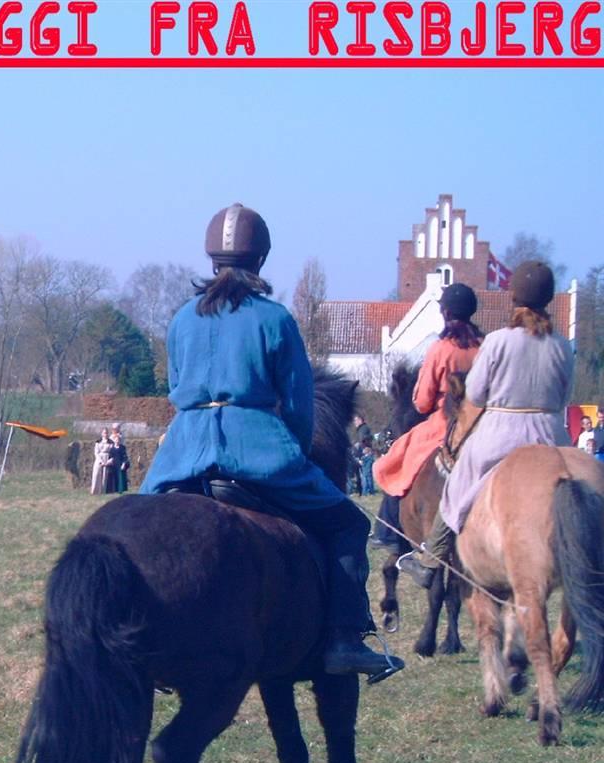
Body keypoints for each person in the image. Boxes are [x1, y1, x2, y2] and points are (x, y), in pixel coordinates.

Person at [141, 202, 403, 681]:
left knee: (140, 524)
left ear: (211, 259)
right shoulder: (275, 319)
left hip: (184, 450)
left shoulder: (181, 319)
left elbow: (176, 388)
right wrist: (295, 451)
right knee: (347, 524)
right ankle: (344, 640)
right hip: (256, 450)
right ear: (260, 260)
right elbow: (301, 408)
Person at [399, 261, 574, 589]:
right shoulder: (563, 345)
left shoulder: (498, 341)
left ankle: (431, 559)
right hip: (553, 434)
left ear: (514, 297)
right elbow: (565, 395)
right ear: (549, 298)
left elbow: (476, 392)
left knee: (456, 483)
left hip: (502, 431)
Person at [370, 284, 483, 550]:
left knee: (397, 459)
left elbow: (421, 402)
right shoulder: (485, 346)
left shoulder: (441, 348)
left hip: (445, 423)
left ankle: (387, 532)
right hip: (482, 423)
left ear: (445, 312)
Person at [107, 424, 131, 493]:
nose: (114, 430)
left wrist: (124, 463)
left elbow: (124, 452)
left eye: (116, 428)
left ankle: (121, 488)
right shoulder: (111, 437)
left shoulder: (122, 437)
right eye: (113, 428)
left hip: (120, 457)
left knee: (121, 475)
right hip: (114, 459)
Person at [91, 428, 113, 495]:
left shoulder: (111, 442)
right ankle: (95, 491)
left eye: (106, 432)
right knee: (96, 474)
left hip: (107, 458)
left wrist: (108, 462)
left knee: (104, 476)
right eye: (104, 433)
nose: (105, 434)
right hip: (99, 459)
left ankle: (103, 491)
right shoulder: (98, 442)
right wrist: (100, 461)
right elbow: (96, 452)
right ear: (102, 433)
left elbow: (112, 453)